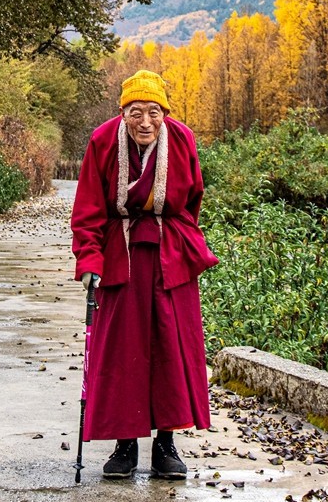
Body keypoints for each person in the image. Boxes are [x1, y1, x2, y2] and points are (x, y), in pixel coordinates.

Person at [70, 69, 218, 480]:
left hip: (171, 255)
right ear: (123, 113)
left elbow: (193, 200)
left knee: (171, 347)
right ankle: (125, 445)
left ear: (165, 113)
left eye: (154, 112)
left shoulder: (182, 138)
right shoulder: (103, 140)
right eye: (136, 112)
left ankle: (166, 444)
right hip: (123, 255)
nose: (146, 122)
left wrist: (184, 244)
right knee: (123, 350)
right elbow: (87, 208)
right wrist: (89, 261)